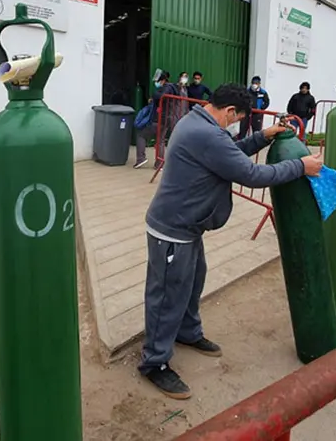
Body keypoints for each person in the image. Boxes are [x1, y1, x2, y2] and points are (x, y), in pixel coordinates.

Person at [139, 84, 323, 399]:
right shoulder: (207, 134)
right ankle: (154, 363)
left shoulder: (200, 121)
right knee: (168, 294)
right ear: (228, 112)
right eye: (236, 119)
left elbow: (228, 154)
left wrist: (262, 136)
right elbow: (251, 175)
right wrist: (301, 167)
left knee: (193, 281)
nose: (235, 125)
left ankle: (186, 332)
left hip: (187, 226)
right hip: (172, 230)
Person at [135, 71, 177, 169]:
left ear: (162, 80)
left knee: (141, 135)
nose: (156, 83)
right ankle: (159, 164)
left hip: (159, 119)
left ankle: (141, 159)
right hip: (167, 119)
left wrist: (154, 96)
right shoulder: (173, 88)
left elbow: (159, 96)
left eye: (158, 81)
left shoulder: (166, 88)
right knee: (160, 141)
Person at [238, 76, 269, 140]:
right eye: (253, 83)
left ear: (259, 84)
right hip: (247, 114)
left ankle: (255, 147)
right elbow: (242, 100)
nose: (254, 85)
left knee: (257, 133)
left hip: (257, 115)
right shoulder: (247, 91)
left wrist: (261, 108)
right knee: (243, 131)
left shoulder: (263, 92)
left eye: (256, 83)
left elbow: (267, 102)